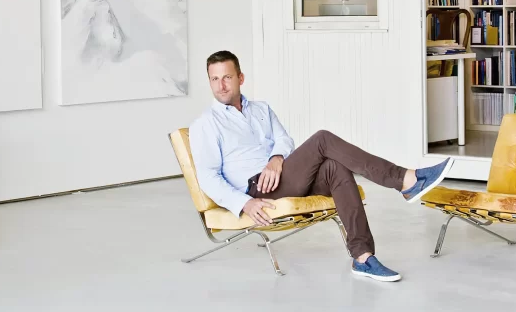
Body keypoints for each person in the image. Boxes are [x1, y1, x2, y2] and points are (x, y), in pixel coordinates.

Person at [189, 51, 454, 282]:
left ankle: (363, 257)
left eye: (227, 77)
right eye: (214, 79)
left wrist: (276, 158)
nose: (221, 85)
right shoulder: (206, 124)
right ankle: (405, 180)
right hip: (258, 190)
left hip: (283, 176)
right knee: (322, 139)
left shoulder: (261, 109)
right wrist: (245, 203)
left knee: (335, 167)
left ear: (240, 78)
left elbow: (284, 140)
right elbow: (208, 177)